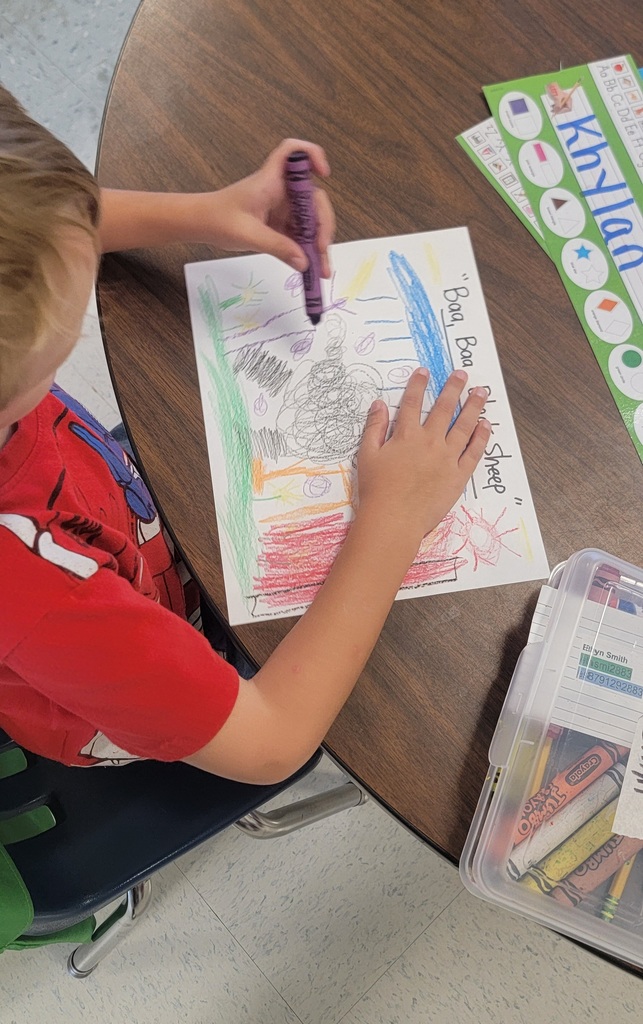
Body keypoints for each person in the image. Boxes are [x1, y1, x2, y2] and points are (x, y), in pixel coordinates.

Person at [0, 85, 491, 781]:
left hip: (122, 530)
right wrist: (395, 515)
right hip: (117, 690)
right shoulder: (37, 593)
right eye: (64, 336)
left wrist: (208, 212)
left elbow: (45, 231)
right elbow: (270, 743)